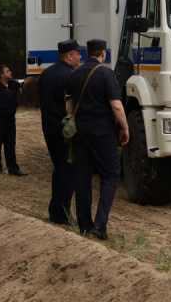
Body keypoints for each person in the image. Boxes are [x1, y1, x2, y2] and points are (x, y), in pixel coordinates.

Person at [65, 39, 129, 240]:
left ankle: (85, 225)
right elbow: (116, 106)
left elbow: (68, 108)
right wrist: (125, 128)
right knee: (110, 173)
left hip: (80, 128)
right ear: (103, 53)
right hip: (101, 127)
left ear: (85, 54)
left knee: (82, 176)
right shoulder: (106, 73)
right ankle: (100, 225)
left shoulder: (73, 74)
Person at [39, 39, 83, 225]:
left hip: (48, 127)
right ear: (70, 56)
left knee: (59, 170)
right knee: (68, 172)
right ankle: (63, 213)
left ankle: (55, 210)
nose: (81, 57)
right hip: (64, 131)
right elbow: (70, 107)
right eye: (78, 53)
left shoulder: (46, 74)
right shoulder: (70, 76)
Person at [0, 65, 36, 176]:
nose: (10, 72)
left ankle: (13, 169)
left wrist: (36, 72)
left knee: (10, 145)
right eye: (8, 71)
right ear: (1, 75)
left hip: (10, 120)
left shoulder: (13, 84)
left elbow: (27, 81)